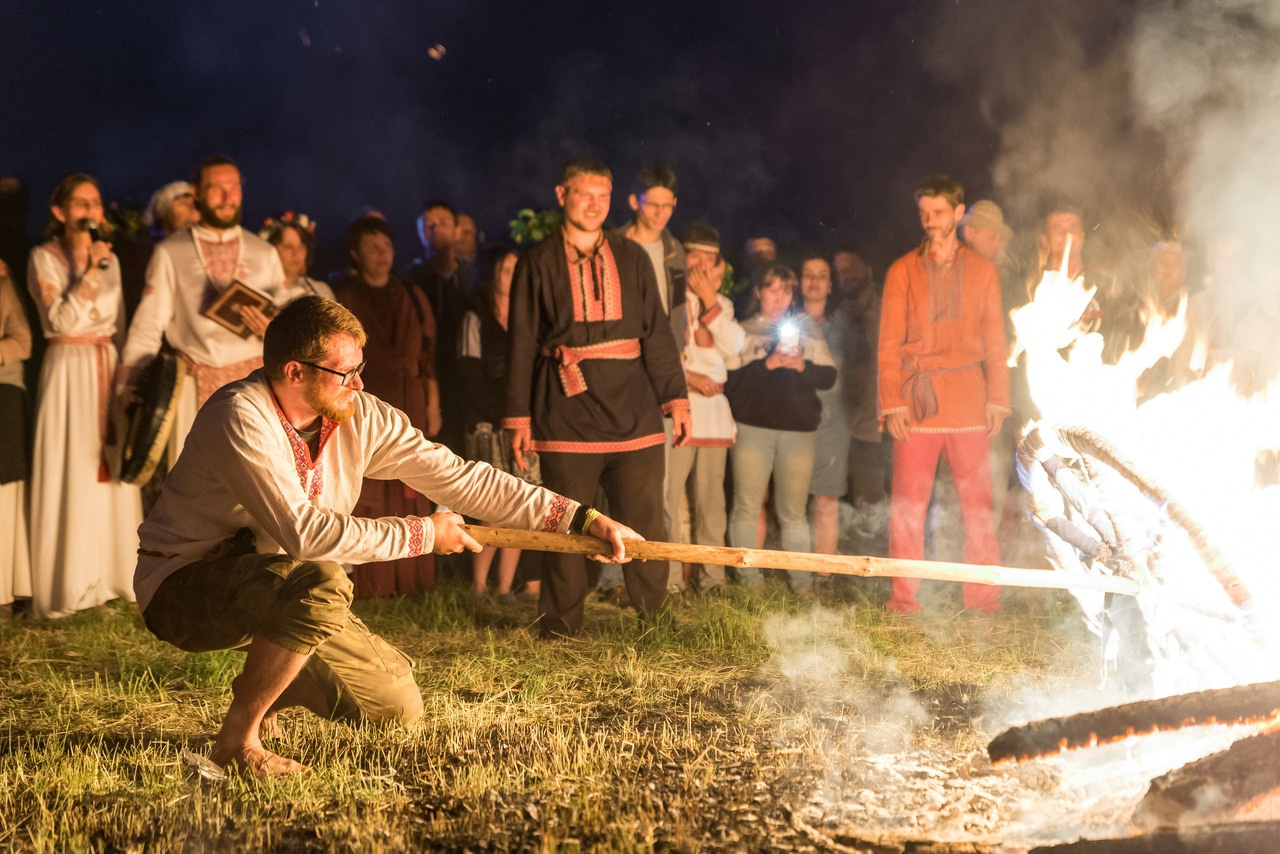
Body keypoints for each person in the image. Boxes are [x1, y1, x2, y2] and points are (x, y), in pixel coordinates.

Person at [134, 295, 637, 776]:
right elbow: (304, 533)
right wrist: (423, 534)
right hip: (186, 587)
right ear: (294, 372)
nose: (357, 384)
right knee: (322, 583)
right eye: (344, 373)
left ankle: (270, 689)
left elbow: (461, 478)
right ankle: (237, 743)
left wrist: (579, 518)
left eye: (360, 369)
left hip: (278, 586)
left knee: (395, 705)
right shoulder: (241, 415)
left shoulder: (358, 414)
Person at [503, 157, 691, 637]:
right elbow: (521, 342)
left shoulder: (632, 257)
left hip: (634, 411)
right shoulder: (537, 261)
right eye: (584, 194)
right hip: (564, 411)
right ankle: (560, 629)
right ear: (562, 196)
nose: (594, 205)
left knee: (646, 519)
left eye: (603, 196)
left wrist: (676, 398)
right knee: (565, 523)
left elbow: (659, 334)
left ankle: (656, 621)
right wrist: (517, 418)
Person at [878, 176, 1009, 614]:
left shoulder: (984, 270)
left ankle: (984, 598)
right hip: (916, 400)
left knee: (978, 507)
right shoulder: (902, 270)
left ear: (958, 212)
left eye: (938, 213)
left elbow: (995, 339)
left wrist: (998, 397)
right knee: (909, 506)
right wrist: (891, 401)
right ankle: (903, 598)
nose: (930, 222)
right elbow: (888, 341)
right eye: (924, 214)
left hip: (970, 399)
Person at [27, 173, 142, 618]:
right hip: (67, 371)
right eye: (81, 203)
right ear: (60, 213)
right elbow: (59, 321)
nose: (91, 211)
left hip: (105, 366)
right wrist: (89, 272)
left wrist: (127, 380)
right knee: (72, 467)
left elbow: (121, 323)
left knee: (109, 467)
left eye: (95, 203)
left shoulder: (110, 261)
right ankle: (70, 587)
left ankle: (112, 579)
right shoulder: (44, 258)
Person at [118, 156, 285, 462]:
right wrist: (128, 384)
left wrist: (273, 330)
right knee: (193, 491)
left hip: (256, 390)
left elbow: (286, 323)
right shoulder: (171, 251)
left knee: (258, 490)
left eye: (233, 187)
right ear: (196, 193)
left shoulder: (265, 253)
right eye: (216, 188)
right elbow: (149, 323)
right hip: (193, 388)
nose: (226, 197)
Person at [333, 215, 439, 597]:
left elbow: (428, 356)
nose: (381, 255)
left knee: (412, 478)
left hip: (409, 396)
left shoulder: (411, 294)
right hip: (364, 396)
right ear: (355, 254)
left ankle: (411, 583)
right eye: (372, 248)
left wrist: (433, 402)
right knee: (367, 486)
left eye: (386, 247)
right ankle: (367, 583)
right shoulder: (343, 296)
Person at [725, 264, 836, 594]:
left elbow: (829, 377)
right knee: (746, 505)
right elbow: (731, 383)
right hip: (752, 428)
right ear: (758, 291)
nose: (779, 297)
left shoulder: (808, 331)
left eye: (786, 291)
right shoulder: (741, 331)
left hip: (799, 431)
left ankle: (801, 584)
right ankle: (749, 583)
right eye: (772, 289)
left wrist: (802, 365)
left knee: (793, 512)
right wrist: (768, 363)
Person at [666, 224, 744, 593]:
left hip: (713, 414)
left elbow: (735, 349)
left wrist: (710, 300)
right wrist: (689, 377)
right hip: (677, 409)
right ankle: (667, 580)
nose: (700, 264)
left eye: (709, 258)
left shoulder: (722, 305)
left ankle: (712, 578)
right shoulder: (669, 298)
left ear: (718, 265)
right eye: (694, 255)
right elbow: (661, 353)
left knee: (711, 500)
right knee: (668, 496)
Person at [458, 245, 536, 601]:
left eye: (517, 272)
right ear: (493, 275)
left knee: (519, 509)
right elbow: (469, 376)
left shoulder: (528, 319)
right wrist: (501, 415)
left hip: (521, 426)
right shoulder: (476, 317)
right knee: (491, 508)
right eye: (506, 270)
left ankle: (505, 588)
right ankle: (478, 585)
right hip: (487, 423)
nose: (512, 278)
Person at [800, 254, 853, 573]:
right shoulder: (785, 319)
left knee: (826, 501)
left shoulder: (843, 324)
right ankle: (795, 572)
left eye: (822, 275)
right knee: (791, 503)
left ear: (830, 284)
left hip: (832, 422)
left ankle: (823, 575)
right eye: (808, 274)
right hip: (794, 421)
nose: (815, 281)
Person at [409, 200, 468, 454]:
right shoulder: (412, 280)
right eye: (429, 225)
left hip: (466, 377)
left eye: (443, 222)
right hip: (429, 378)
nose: (437, 230)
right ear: (421, 233)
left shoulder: (472, 277)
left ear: (457, 229)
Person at [0, 259, 33, 615]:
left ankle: (3, 592)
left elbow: (22, 342)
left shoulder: (2, 283)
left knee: (3, 490)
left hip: (2, 389)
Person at [260, 213, 335, 303]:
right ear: (272, 249)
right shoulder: (259, 288)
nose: (296, 253)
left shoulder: (320, 291)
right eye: (288, 247)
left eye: (301, 247)